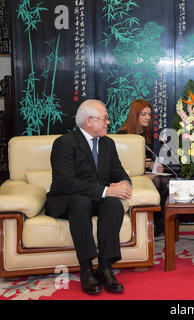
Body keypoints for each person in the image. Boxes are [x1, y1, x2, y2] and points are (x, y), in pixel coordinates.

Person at [45, 99, 132, 295]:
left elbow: (118, 171)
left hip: (95, 198)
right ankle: (86, 269)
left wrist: (125, 183)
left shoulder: (108, 144)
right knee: (81, 201)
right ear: (89, 121)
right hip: (66, 199)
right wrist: (105, 191)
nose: (108, 122)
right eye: (104, 119)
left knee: (114, 205)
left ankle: (105, 267)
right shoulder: (64, 143)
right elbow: (66, 182)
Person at [117, 99, 168, 236]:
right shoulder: (122, 135)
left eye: (149, 115)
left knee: (165, 181)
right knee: (156, 181)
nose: (148, 118)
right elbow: (120, 165)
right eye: (144, 114)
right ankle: (151, 225)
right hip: (129, 177)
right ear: (135, 115)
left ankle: (160, 224)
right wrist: (142, 171)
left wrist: (153, 165)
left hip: (144, 175)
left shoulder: (146, 135)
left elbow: (147, 160)